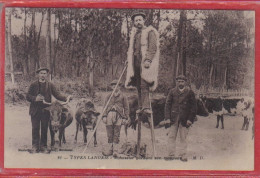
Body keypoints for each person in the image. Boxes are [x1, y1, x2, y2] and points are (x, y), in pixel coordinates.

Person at [26, 67, 71, 153]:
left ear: (47, 75)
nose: (43, 75)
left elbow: (57, 95)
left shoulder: (50, 85)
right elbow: (27, 96)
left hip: (46, 111)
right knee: (35, 128)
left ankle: (43, 147)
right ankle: (35, 146)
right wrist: (35, 98)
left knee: (44, 128)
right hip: (34, 110)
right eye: (41, 73)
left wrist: (66, 98)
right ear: (38, 74)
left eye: (44, 73)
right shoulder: (33, 85)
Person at [125, 11, 160, 115]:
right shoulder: (134, 34)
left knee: (144, 85)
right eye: (136, 20)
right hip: (136, 63)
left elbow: (153, 47)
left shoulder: (150, 31)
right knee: (138, 86)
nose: (138, 22)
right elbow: (131, 49)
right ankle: (141, 106)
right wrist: (129, 59)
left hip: (145, 64)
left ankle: (146, 107)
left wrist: (148, 59)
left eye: (140, 20)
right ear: (134, 23)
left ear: (144, 20)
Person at [164, 75, 196, 162]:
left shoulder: (190, 92)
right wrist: (167, 118)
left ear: (185, 82)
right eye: (178, 81)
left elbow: (193, 107)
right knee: (171, 137)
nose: (180, 83)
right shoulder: (172, 91)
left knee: (183, 138)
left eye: (182, 81)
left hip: (184, 120)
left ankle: (183, 155)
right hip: (173, 119)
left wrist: (190, 119)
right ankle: (170, 155)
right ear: (176, 82)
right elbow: (167, 105)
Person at [102, 79, 130, 157]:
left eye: (116, 85)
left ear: (119, 86)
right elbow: (104, 107)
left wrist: (125, 117)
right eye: (113, 85)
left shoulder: (123, 96)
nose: (115, 87)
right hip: (109, 115)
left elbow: (126, 107)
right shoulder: (108, 96)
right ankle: (110, 150)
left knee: (117, 132)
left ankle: (115, 150)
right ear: (111, 87)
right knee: (110, 132)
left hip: (119, 115)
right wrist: (104, 116)